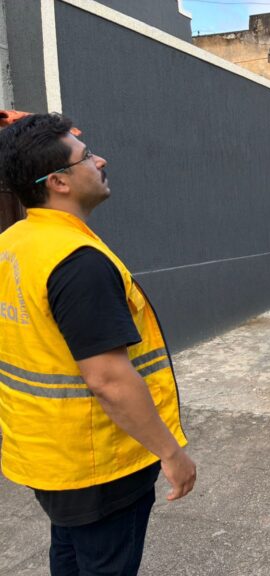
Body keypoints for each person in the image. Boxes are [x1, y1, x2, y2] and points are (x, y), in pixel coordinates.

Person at [0, 113, 196, 576]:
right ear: (60, 182)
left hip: (47, 455)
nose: (100, 160)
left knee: (69, 556)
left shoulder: (13, 243)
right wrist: (171, 453)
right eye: (86, 156)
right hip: (99, 463)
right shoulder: (77, 262)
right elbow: (108, 379)